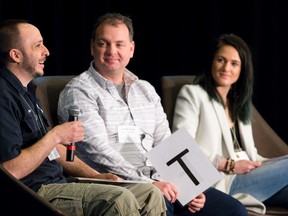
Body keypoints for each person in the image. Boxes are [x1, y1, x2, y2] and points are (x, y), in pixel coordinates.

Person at [58, 12, 248, 216]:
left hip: (162, 182)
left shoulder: (145, 90)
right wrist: (150, 183)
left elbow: (168, 144)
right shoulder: (79, 91)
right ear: (92, 47)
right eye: (104, 43)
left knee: (233, 210)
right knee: (158, 203)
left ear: (131, 49)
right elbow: (99, 153)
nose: (111, 51)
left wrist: (191, 185)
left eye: (119, 44)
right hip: (119, 186)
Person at [0, 19, 168, 216]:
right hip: (35, 192)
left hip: (60, 182)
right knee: (119, 199)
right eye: (38, 45)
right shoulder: (3, 94)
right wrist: (55, 135)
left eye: (119, 44)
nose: (46, 51)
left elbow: (51, 150)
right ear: (16, 55)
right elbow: (11, 169)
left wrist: (97, 176)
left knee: (150, 194)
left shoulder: (28, 90)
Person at [172, 33, 288, 214]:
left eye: (234, 63)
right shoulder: (192, 94)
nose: (226, 67)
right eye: (221, 60)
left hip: (250, 175)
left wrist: (271, 166)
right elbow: (181, 145)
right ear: (212, 61)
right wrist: (229, 165)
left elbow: (251, 155)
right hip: (223, 180)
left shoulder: (239, 103)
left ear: (243, 69)